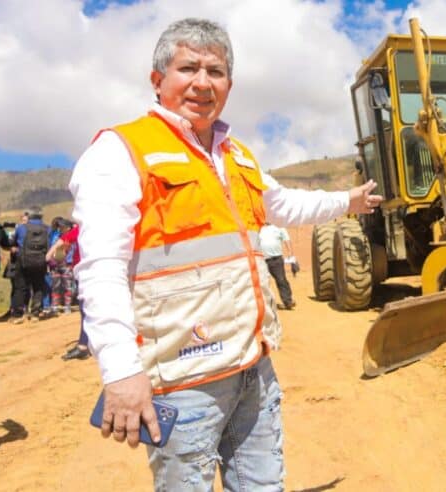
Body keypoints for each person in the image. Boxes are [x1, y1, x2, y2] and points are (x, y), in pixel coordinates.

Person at [71, 18, 382, 490]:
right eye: (188, 68)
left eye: (215, 71)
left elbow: (284, 205)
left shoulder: (236, 155)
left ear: (229, 86)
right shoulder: (121, 150)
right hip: (184, 378)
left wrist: (349, 201)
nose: (202, 82)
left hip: (252, 369)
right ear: (158, 81)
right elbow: (101, 268)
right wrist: (121, 372)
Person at [46, 221, 89, 360]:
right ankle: (86, 343)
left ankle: (84, 345)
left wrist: (50, 254)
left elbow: (64, 240)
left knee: (86, 308)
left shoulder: (86, 225)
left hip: (87, 271)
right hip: (85, 270)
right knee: (87, 308)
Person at [10, 209, 50, 323]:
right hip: (40, 261)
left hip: (23, 261)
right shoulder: (47, 229)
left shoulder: (21, 228)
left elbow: (13, 242)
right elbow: (50, 244)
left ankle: (18, 314)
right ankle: (35, 313)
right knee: (38, 287)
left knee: (20, 287)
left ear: (30, 216)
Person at [260, 222, 296, 309]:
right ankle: (263, 304)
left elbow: (286, 240)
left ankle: (288, 301)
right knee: (262, 282)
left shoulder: (280, 227)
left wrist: (290, 254)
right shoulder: (259, 228)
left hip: (276, 259)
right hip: (261, 260)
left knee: (281, 280)